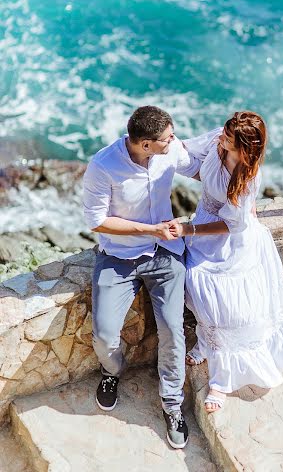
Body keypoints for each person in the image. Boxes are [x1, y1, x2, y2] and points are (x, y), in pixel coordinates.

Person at [167, 111, 283, 413]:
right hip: (204, 225)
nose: (220, 138)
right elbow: (190, 154)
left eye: (228, 139)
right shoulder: (217, 140)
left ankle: (222, 381)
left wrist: (189, 229)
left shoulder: (247, 178)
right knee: (199, 292)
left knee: (226, 307)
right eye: (223, 133)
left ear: (244, 149)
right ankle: (207, 343)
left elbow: (233, 225)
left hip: (228, 238)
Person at [82, 105, 201, 449]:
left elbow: (199, 168)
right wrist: (149, 229)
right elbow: (96, 220)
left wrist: (238, 173)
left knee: (173, 329)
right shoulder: (102, 166)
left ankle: (172, 404)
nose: (175, 140)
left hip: (165, 255)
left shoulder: (169, 151)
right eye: (167, 138)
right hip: (118, 257)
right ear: (145, 144)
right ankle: (111, 372)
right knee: (104, 336)